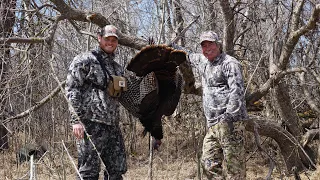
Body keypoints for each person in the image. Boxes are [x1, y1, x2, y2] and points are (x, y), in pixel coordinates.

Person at [173, 31, 248, 179]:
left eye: (210, 44)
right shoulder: (203, 61)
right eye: (204, 45)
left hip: (230, 123)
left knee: (235, 169)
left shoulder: (229, 63)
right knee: (208, 164)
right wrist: (169, 46)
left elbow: (237, 92)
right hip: (212, 125)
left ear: (218, 44)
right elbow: (187, 54)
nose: (207, 48)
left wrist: (228, 118)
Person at [65, 25, 127, 180]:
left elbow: (124, 96)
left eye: (114, 40)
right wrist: (76, 120)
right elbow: (72, 89)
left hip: (112, 126)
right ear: (99, 38)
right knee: (88, 172)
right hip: (90, 124)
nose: (110, 43)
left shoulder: (117, 68)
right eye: (107, 39)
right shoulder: (86, 59)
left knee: (117, 170)